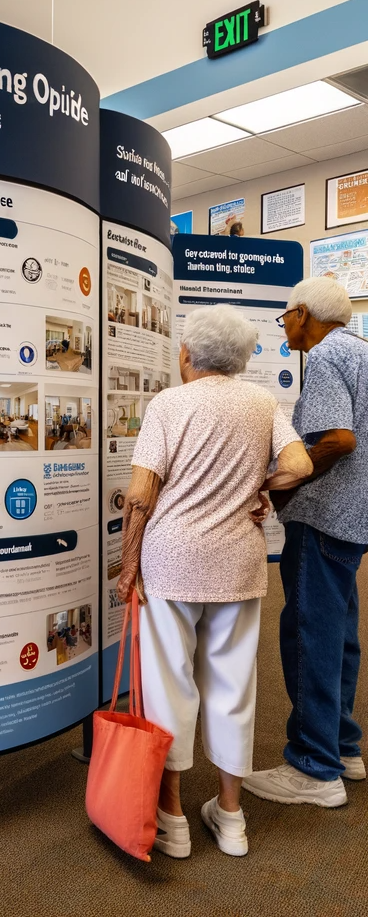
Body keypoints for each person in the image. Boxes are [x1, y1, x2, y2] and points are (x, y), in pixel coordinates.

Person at [116, 304, 312, 858]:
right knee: (232, 686)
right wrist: (262, 488)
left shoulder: (168, 404)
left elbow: (139, 494)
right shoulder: (262, 402)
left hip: (171, 563)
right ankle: (231, 817)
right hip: (237, 564)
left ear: (187, 355)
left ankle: (173, 819)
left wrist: (129, 568)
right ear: (243, 357)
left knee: (167, 685)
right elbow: (299, 465)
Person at [244, 278, 368, 808]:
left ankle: (314, 768)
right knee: (339, 633)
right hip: (353, 519)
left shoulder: (325, 355)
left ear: (300, 314)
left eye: (286, 318)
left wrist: (281, 480)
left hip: (323, 519)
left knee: (308, 635)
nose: (286, 327)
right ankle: (342, 747)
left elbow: (339, 439)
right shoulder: (361, 349)